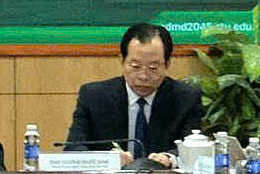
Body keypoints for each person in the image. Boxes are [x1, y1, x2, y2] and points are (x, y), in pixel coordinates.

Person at [66, 23, 204, 164]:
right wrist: (108, 159)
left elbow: (193, 148)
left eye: (153, 67)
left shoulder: (186, 98)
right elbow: (73, 149)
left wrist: (169, 158)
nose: (143, 76)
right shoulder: (94, 97)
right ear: (122, 60)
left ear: (167, 64)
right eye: (135, 66)